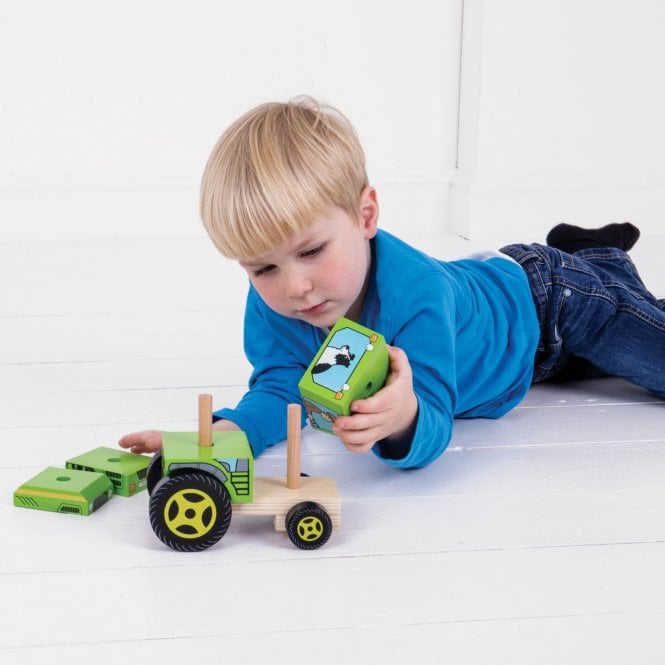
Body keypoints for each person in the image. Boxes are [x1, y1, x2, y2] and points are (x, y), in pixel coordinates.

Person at [118, 97, 665, 469]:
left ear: (365, 215)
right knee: (604, 360)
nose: (296, 288)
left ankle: (587, 258)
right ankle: (596, 250)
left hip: (550, 306)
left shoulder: (414, 295)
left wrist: (404, 417)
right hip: (529, 364)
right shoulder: (276, 304)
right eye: (263, 269)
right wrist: (222, 440)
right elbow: (282, 389)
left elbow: (432, 416)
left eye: (311, 251)